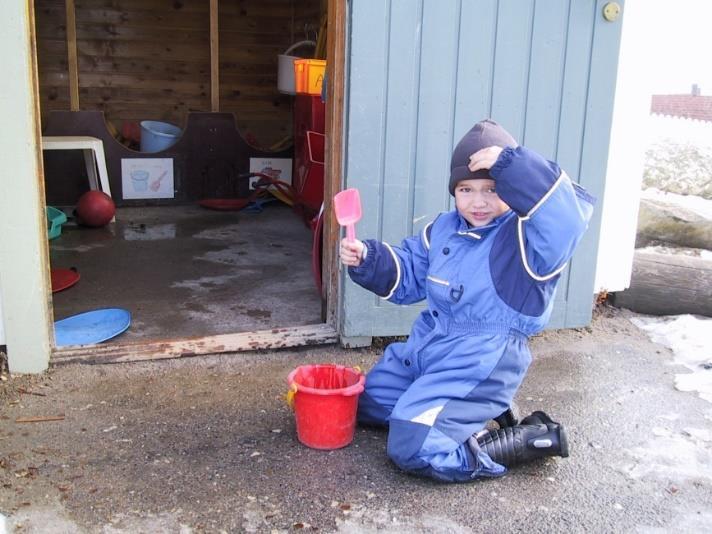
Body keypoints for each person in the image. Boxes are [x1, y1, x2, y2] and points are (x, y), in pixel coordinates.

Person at [339, 119, 595, 482]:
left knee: (412, 446)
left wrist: (514, 164)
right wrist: (368, 257)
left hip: (481, 357)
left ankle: (525, 440)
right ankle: (468, 410)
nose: (478, 202)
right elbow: (410, 271)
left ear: (512, 189)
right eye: (466, 189)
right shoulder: (444, 228)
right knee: (368, 402)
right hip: (432, 345)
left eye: (492, 189)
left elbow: (566, 219)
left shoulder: (528, 240)